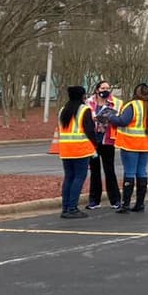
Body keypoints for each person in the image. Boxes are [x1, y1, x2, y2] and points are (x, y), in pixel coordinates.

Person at [108, 83, 148, 214]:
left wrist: (110, 117)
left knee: (130, 172)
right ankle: (140, 203)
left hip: (130, 143)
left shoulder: (133, 105)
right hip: (146, 144)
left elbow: (123, 121)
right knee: (142, 172)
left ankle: (126, 204)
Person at [57, 85, 97, 220]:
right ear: (82, 96)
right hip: (80, 148)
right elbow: (90, 130)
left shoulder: (63, 110)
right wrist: (95, 146)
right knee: (79, 177)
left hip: (66, 148)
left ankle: (66, 207)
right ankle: (72, 208)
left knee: (68, 177)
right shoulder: (84, 110)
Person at [85, 80, 121, 210]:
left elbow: (120, 118)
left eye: (108, 88)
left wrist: (111, 118)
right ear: (97, 89)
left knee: (109, 170)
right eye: (103, 88)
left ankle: (115, 200)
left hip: (107, 140)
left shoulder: (116, 102)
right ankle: (94, 200)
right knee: (95, 171)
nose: (105, 90)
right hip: (93, 141)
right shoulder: (89, 102)